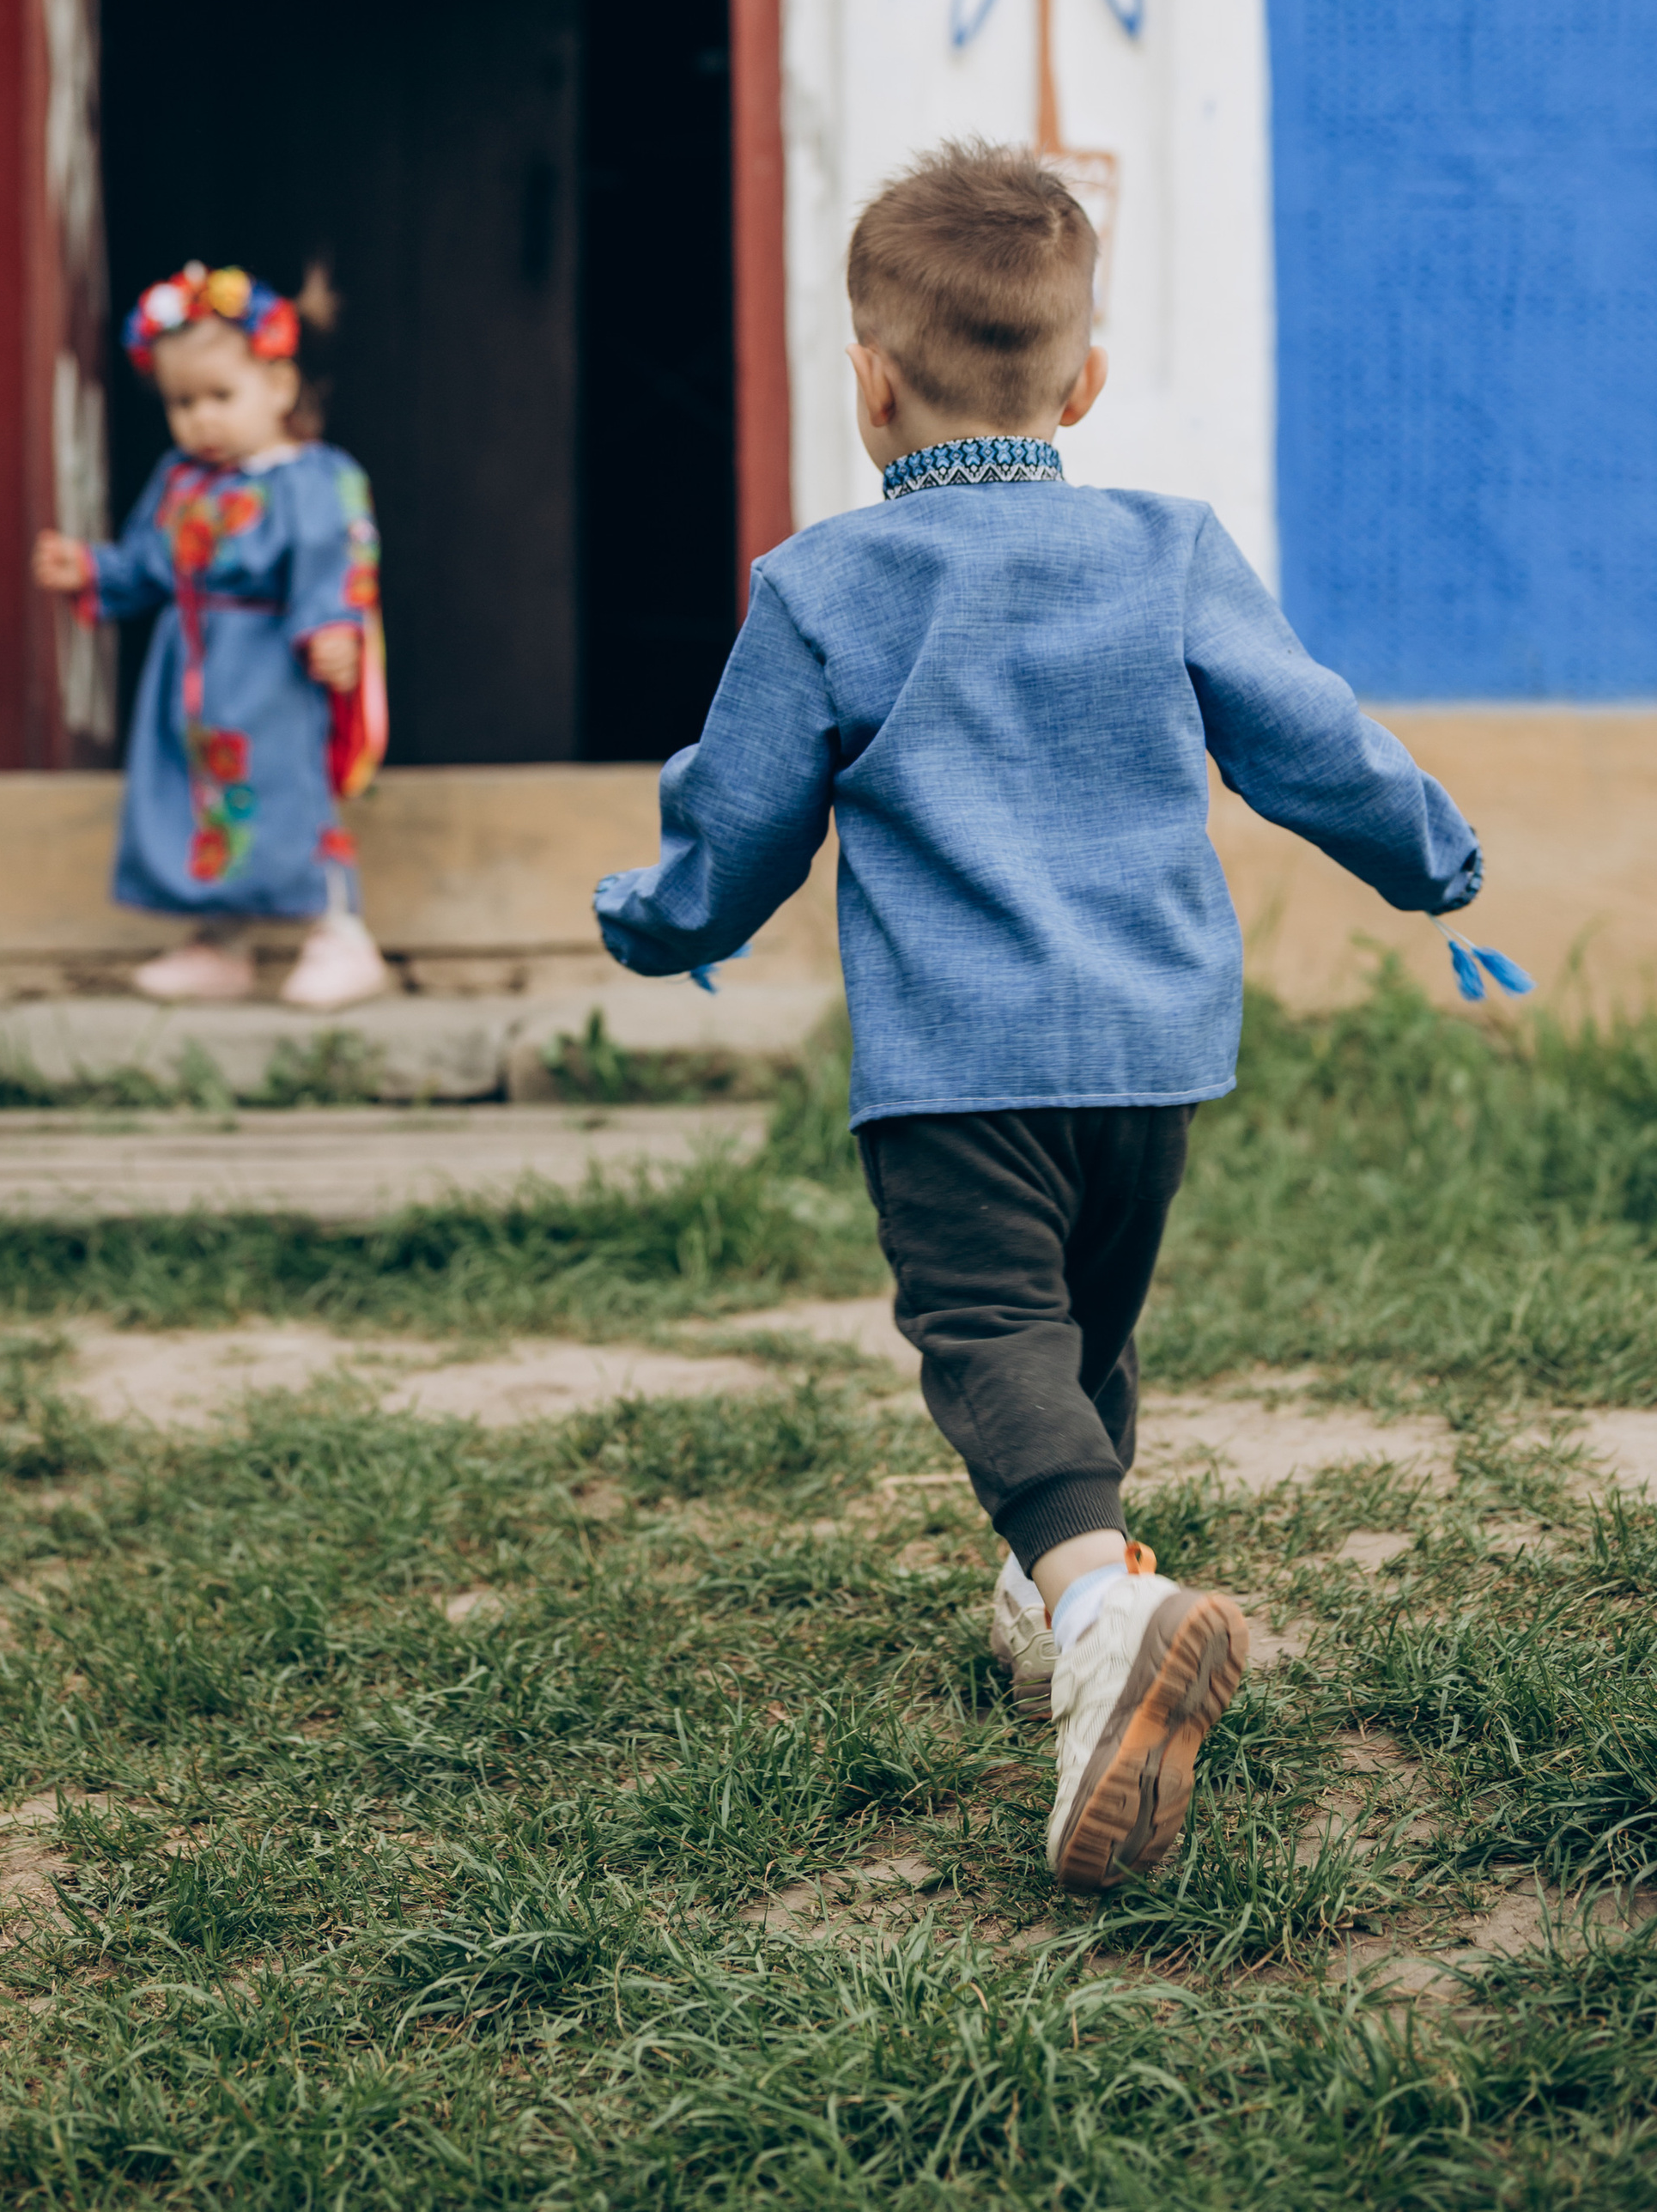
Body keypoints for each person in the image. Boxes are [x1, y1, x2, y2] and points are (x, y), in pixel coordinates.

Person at [592, 141, 1487, 1889]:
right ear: (1080, 385)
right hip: (1147, 1047)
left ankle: (1096, 1609)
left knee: (989, 1337)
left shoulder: (822, 589)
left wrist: (660, 919)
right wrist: (1427, 857)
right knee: (1081, 1335)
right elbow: (1306, 733)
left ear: (867, 384)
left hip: (954, 1059)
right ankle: (1052, 1601)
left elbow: (740, 817)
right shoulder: (1165, 550)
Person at [34, 261, 389, 1012]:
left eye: (220, 396)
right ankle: (219, 940)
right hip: (193, 670)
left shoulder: (312, 477)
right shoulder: (181, 482)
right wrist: (91, 570)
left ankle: (340, 933)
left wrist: (331, 630)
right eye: (182, 402)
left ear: (280, 386)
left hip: (273, 669)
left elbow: (335, 560)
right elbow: (146, 564)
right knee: (202, 799)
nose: (202, 419)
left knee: (289, 792)